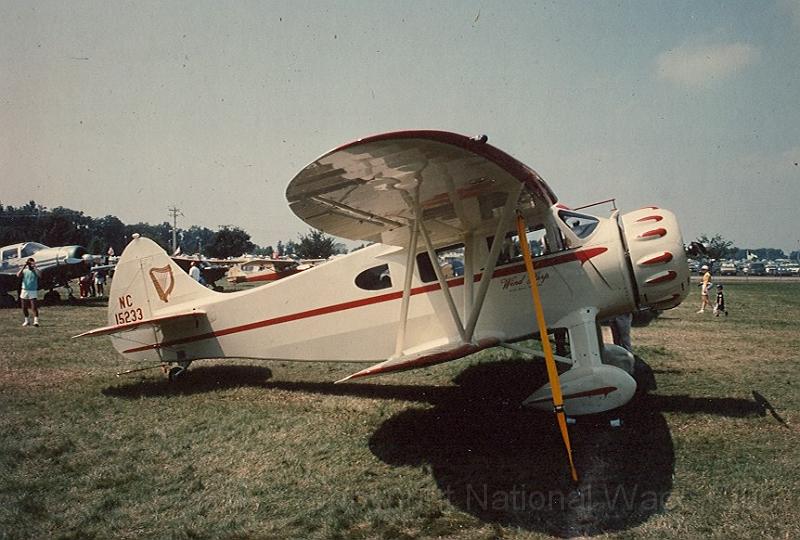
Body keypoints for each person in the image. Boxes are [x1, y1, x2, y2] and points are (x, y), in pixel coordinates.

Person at [16, 258, 41, 327]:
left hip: (32, 290)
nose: (30, 265)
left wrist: (35, 267)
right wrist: (24, 266)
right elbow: (18, 275)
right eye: (29, 263)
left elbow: (40, 275)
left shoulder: (35, 271)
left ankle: (36, 321)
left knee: (34, 306)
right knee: (24, 307)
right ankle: (27, 321)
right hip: (24, 290)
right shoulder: (25, 270)